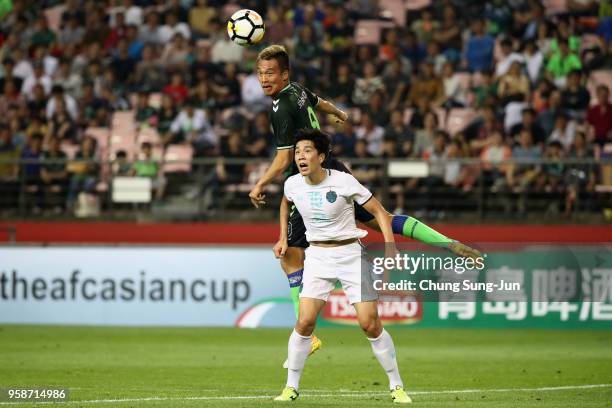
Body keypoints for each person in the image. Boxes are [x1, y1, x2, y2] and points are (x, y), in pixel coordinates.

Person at [249, 44, 481, 367]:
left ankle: (307, 332)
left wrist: (260, 183)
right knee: (381, 216)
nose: (264, 79)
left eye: (270, 73)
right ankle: (448, 243)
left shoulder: (281, 107)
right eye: (260, 73)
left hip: (308, 183)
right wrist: (339, 113)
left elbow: (286, 157)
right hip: (334, 168)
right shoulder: (298, 91)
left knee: (288, 254)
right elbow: (321, 103)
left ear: (284, 74)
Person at [272, 129, 411, 404]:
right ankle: (290, 388)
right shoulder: (292, 184)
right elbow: (285, 203)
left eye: (307, 150)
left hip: (350, 255)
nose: (300, 155)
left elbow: (379, 212)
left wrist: (390, 245)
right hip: (317, 257)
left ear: (321, 157)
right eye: (297, 151)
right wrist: (283, 238)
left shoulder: (344, 182)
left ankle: (396, 386)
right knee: (305, 321)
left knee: (369, 324)